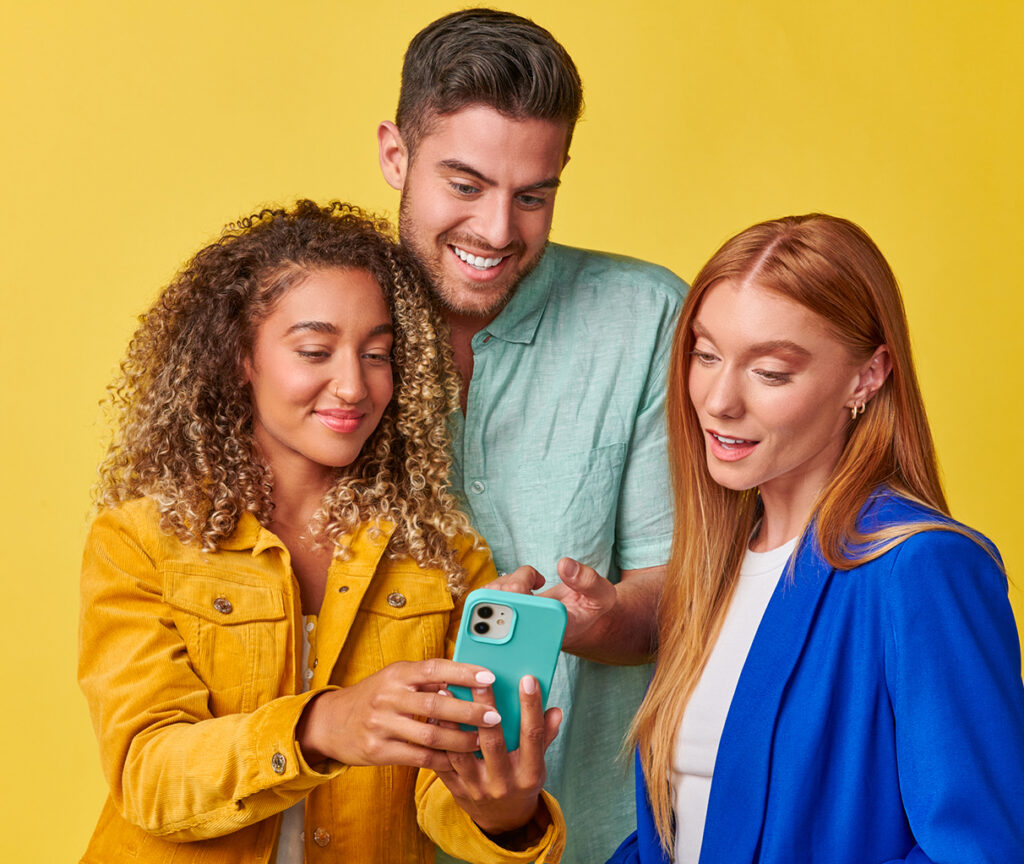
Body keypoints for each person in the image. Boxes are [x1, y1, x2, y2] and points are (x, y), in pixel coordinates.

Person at [77, 200, 566, 864]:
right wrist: (322, 727)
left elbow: (444, 796)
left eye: (378, 354)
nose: (353, 386)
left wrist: (503, 811)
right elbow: (149, 774)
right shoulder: (139, 540)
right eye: (315, 349)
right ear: (239, 358)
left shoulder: (443, 558)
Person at [608, 213, 1024, 863]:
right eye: (706, 354)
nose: (719, 400)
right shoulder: (710, 570)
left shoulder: (923, 568)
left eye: (770, 372)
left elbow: (980, 850)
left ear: (867, 376)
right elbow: (676, 834)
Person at [376, 11, 686, 861]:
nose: (498, 231)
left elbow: (680, 590)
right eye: (465, 185)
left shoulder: (648, 317)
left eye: (533, 195)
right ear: (395, 156)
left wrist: (603, 616)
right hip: (366, 835)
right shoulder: (321, 321)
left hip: (588, 830)